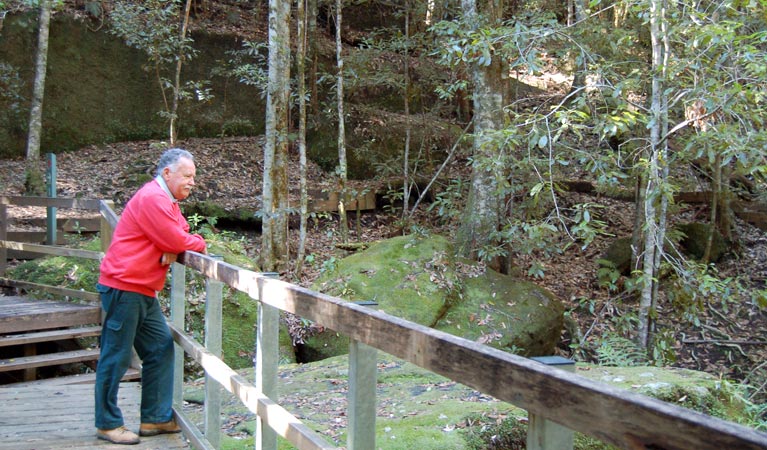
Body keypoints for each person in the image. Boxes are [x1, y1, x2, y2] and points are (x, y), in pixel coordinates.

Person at [94, 148, 207, 445]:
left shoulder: (167, 201)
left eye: (193, 176)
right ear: (167, 173)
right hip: (124, 287)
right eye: (187, 175)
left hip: (143, 288)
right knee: (115, 356)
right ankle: (107, 423)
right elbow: (175, 239)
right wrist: (197, 242)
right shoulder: (153, 198)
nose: (192, 182)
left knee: (160, 348)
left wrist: (181, 240)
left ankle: (154, 418)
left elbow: (180, 230)